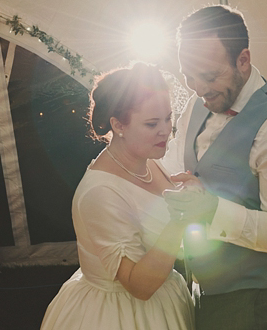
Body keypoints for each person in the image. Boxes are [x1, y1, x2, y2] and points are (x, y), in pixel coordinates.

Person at [163, 4, 267, 330]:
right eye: (189, 76)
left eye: (209, 76)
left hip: (258, 300)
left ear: (243, 60)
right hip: (204, 284)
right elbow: (189, 165)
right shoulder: (197, 103)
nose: (199, 88)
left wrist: (211, 211)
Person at [40, 63, 195, 330]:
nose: (165, 130)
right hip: (118, 315)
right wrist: (180, 218)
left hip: (167, 298)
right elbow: (139, 286)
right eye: (152, 123)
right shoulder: (99, 192)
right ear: (118, 125)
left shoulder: (150, 161)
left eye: (168, 118)